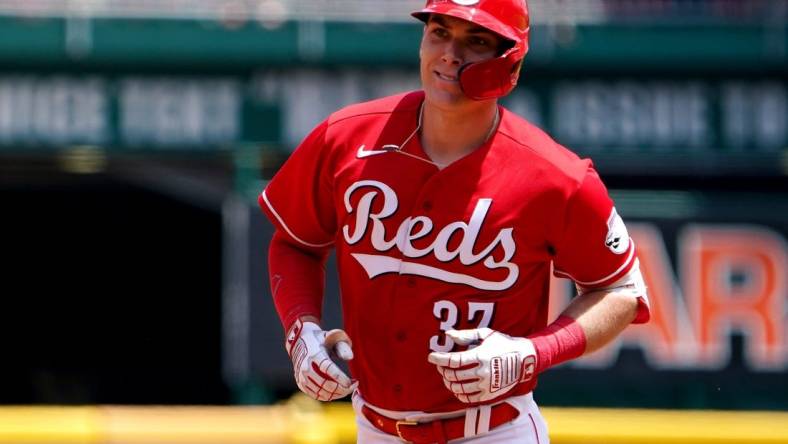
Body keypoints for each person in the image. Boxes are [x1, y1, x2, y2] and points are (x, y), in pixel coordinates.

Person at [259, 0, 650, 442]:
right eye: (439, 32)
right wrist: (301, 330)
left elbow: (621, 292)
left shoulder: (557, 176)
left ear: (512, 65)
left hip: (495, 431)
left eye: (476, 41)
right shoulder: (346, 137)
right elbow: (295, 242)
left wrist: (531, 352)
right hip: (374, 428)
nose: (450, 53)